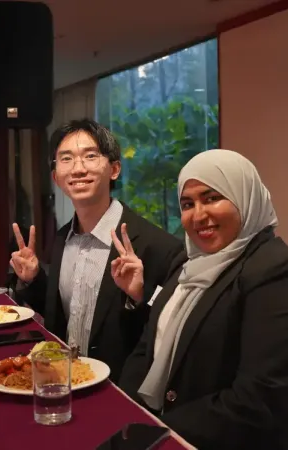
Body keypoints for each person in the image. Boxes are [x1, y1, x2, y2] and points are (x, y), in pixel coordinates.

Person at [116, 149, 288, 449]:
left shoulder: (278, 271)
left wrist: (161, 430)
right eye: (188, 204)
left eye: (212, 198)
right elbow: (147, 346)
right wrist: (129, 410)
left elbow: (260, 398)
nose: (199, 215)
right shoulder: (188, 263)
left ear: (244, 197)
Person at [10, 118, 183, 382]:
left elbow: (170, 331)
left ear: (114, 169)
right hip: (65, 382)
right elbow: (63, 312)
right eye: (66, 159)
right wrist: (32, 279)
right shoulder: (62, 238)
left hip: (121, 389)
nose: (78, 169)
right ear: (56, 177)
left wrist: (138, 296)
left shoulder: (157, 246)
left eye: (90, 156)